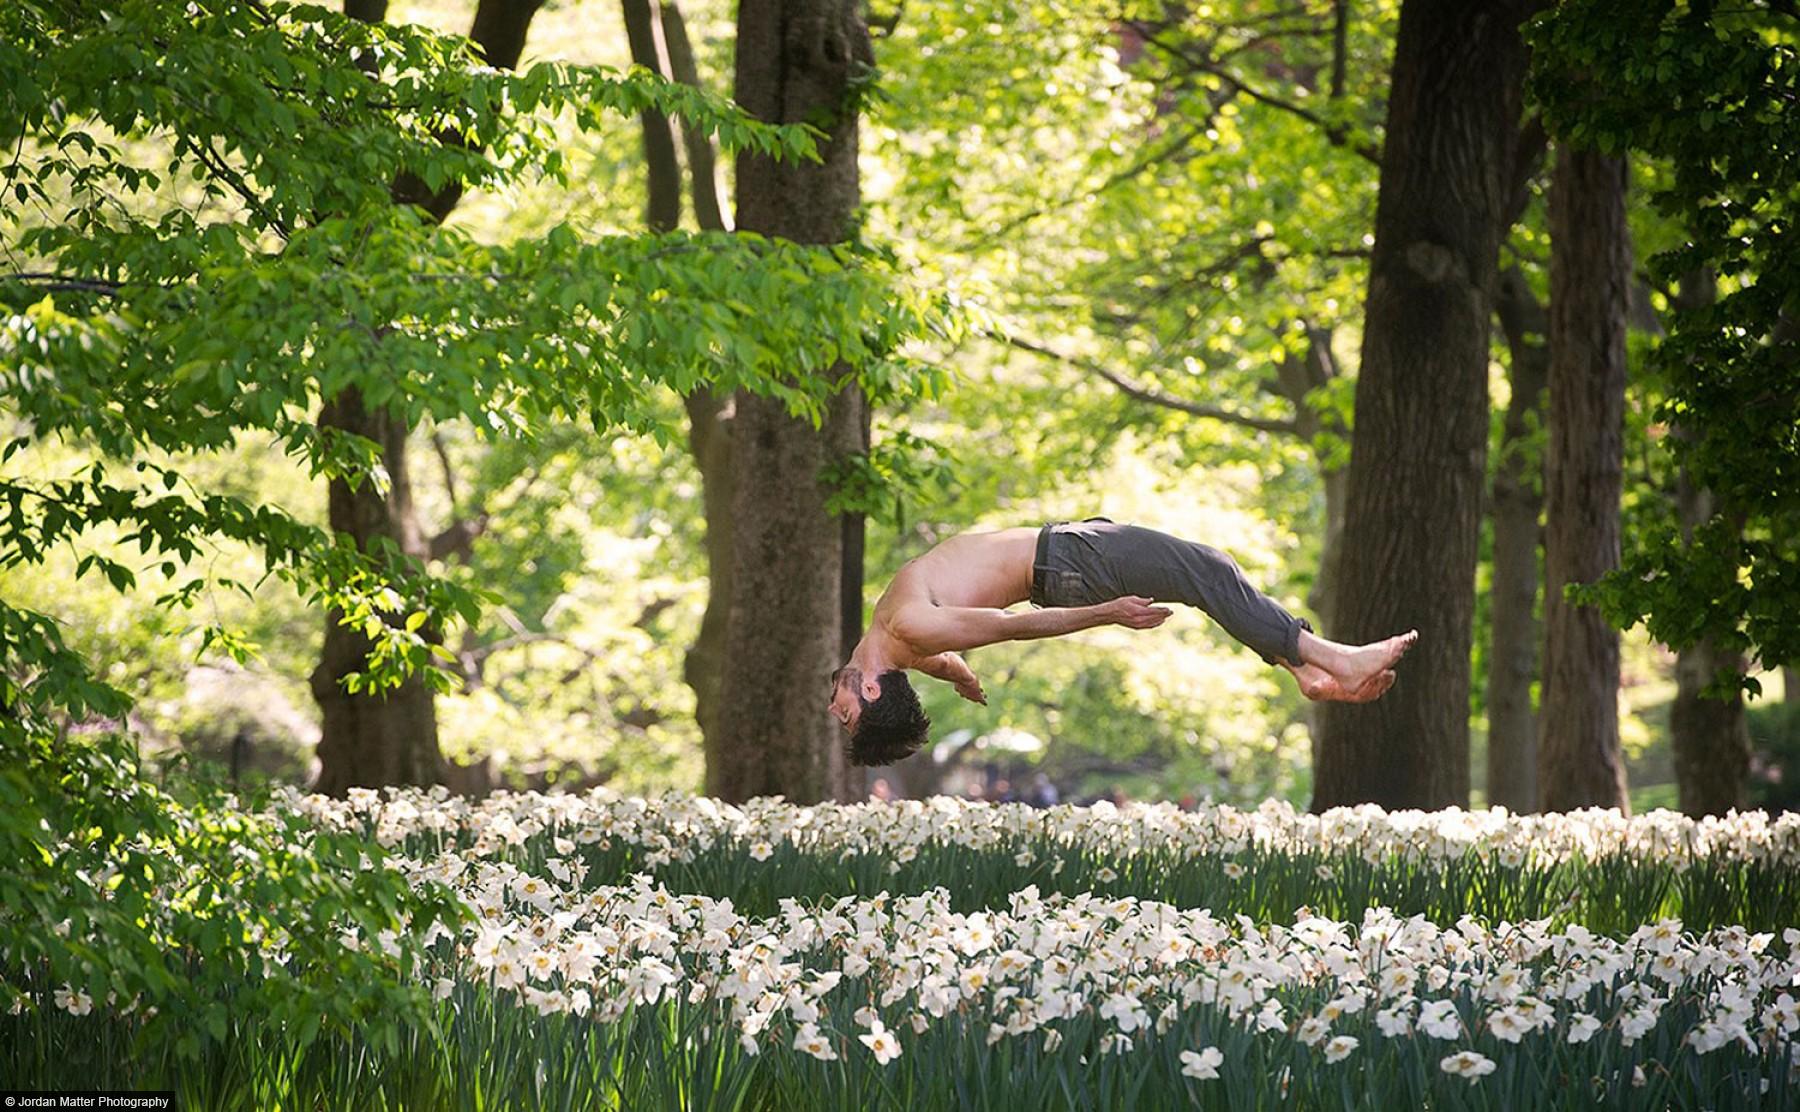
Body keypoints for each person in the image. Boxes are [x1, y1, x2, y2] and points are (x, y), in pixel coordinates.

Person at [828, 516, 1418, 766]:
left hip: (1067, 547)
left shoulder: (902, 645)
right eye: (848, 717)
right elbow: (1007, 627)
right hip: (1065, 562)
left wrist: (963, 680)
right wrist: (1106, 613)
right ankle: (1335, 659)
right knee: (1207, 570)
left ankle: (1301, 669)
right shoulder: (908, 629)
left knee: (1212, 572)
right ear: (874, 691)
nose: (835, 708)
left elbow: (951, 661)